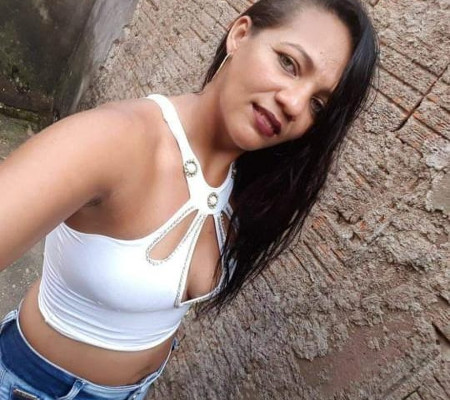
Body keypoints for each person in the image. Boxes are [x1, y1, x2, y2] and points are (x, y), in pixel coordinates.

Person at [0, 0, 378, 398]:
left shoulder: (246, 189)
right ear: (240, 35)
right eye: (288, 63)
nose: (295, 104)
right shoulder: (113, 140)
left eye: (318, 104)